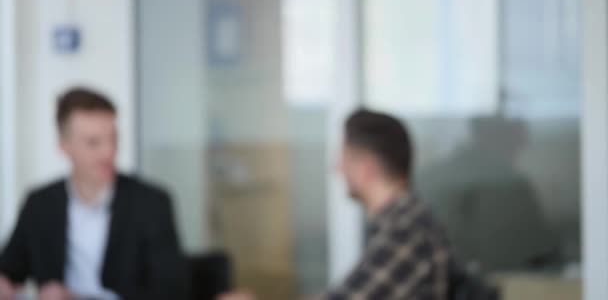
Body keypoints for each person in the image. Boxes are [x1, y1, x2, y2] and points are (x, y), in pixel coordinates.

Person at [220, 109, 451, 300]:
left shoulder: (406, 232)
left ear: (365, 167)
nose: (337, 169)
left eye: (345, 158)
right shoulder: (401, 224)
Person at [0, 87, 188, 300]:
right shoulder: (40, 203)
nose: (108, 151)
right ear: (64, 146)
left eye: (113, 139)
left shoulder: (152, 203)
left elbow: (172, 291)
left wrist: (80, 298)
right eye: (93, 142)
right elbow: (10, 267)